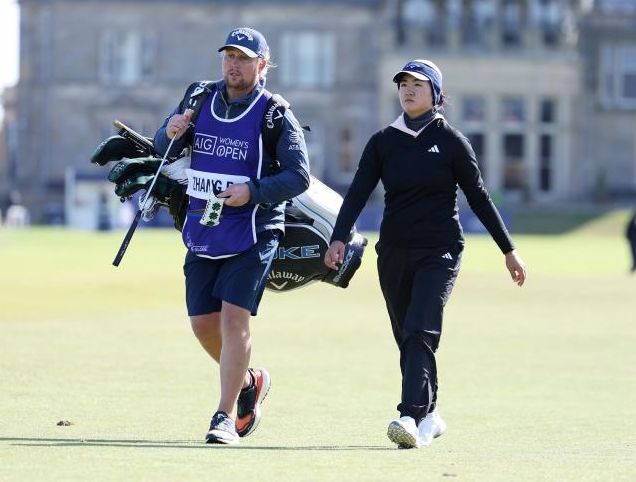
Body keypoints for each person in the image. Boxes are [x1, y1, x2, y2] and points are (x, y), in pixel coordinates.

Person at [323, 59, 526, 449]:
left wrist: (508, 250)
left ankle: (409, 417)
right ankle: (431, 414)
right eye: (403, 84)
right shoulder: (383, 141)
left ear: (435, 92)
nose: (408, 90)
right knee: (409, 338)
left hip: (440, 250)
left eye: (418, 84)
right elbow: (359, 192)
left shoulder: (451, 142)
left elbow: (479, 198)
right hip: (394, 251)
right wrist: (338, 237)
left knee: (420, 329)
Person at [153, 27, 310, 445]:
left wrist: (252, 192)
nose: (233, 65)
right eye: (229, 57)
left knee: (232, 319)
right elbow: (161, 149)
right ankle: (248, 382)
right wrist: (169, 132)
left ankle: (223, 416)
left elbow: (299, 176)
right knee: (202, 325)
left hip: (255, 229)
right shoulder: (198, 98)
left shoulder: (275, 113)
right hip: (204, 226)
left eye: (243, 58)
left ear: (262, 65)